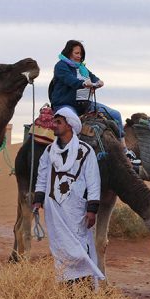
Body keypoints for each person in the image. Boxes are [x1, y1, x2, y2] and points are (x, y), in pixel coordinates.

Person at [32, 107, 104, 284]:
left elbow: (93, 182)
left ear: (70, 125)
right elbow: (42, 177)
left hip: (77, 209)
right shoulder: (49, 152)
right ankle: (65, 285)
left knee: (80, 247)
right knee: (60, 248)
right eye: (54, 122)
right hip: (54, 210)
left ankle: (84, 286)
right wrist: (38, 200)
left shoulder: (85, 151)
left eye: (59, 122)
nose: (54, 125)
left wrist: (92, 210)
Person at [49, 40, 125, 139]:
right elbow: (70, 80)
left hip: (85, 105)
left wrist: (98, 82)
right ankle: (70, 148)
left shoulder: (82, 68)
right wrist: (83, 83)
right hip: (65, 104)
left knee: (115, 115)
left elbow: (93, 77)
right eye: (76, 53)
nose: (79, 56)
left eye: (81, 54)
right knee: (74, 122)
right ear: (68, 53)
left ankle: (123, 148)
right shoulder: (61, 66)